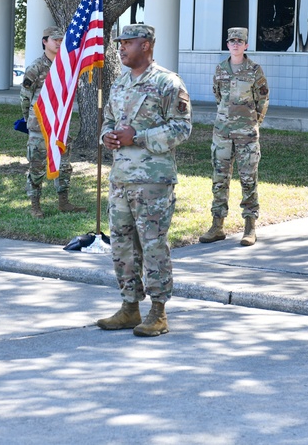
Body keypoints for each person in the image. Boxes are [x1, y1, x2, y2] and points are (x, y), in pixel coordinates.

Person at [97, 24, 191, 337]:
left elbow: (182, 128)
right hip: (122, 178)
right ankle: (129, 306)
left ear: (146, 45)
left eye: (127, 43)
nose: (121, 48)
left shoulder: (167, 82)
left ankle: (158, 312)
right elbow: (110, 121)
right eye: (119, 43)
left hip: (153, 179)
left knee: (152, 245)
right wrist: (107, 137)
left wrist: (138, 137)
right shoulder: (120, 82)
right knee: (122, 245)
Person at [200, 27, 270, 247]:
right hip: (222, 133)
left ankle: (250, 227)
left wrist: (253, 123)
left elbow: (263, 99)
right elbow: (218, 95)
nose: (236, 45)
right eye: (232, 41)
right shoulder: (220, 69)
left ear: (246, 45)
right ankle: (217, 225)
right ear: (228, 44)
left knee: (248, 179)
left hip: (247, 134)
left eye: (240, 41)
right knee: (219, 179)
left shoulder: (254, 70)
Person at [19, 26, 87, 219]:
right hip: (40, 124)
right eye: (54, 40)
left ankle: (63, 202)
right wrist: (29, 120)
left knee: (64, 165)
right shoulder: (36, 67)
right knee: (37, 165)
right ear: (44, 41)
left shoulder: (65, 66)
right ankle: (35, 205)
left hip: (60, 124)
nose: (58, 43)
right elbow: (25, 98)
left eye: (60, 40)